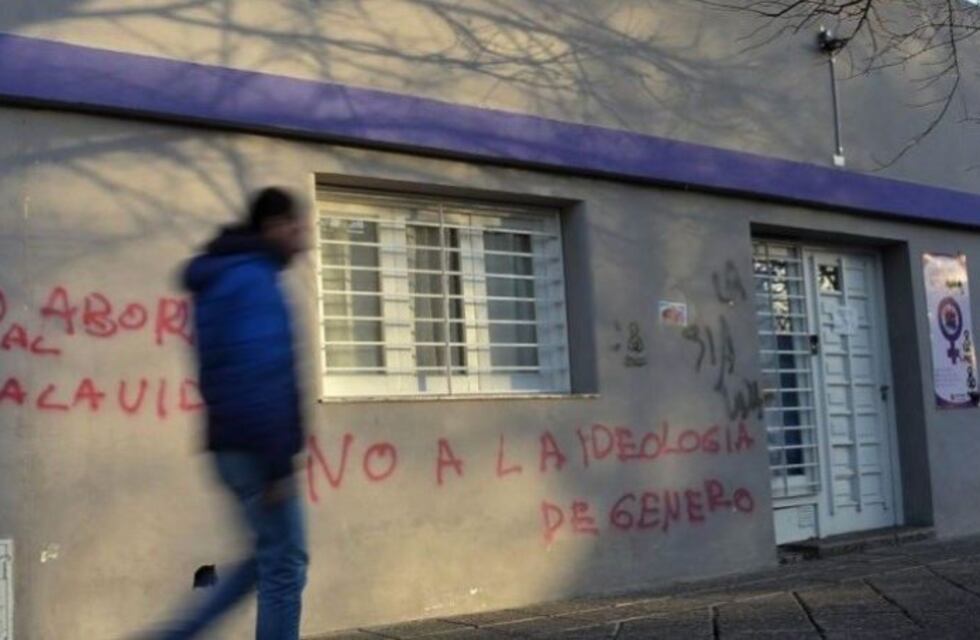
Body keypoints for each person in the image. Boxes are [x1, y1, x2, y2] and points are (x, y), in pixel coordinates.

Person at [155, 187, 310, 639]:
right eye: (298, 228)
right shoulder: (254, 280)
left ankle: (178, 633)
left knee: (268, 556)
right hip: (258, 446)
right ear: (274, 226)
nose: (304, 240)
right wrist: (278, 465)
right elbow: (260, 371)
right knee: (285, 564)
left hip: (231, 441)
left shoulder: (224, 277)